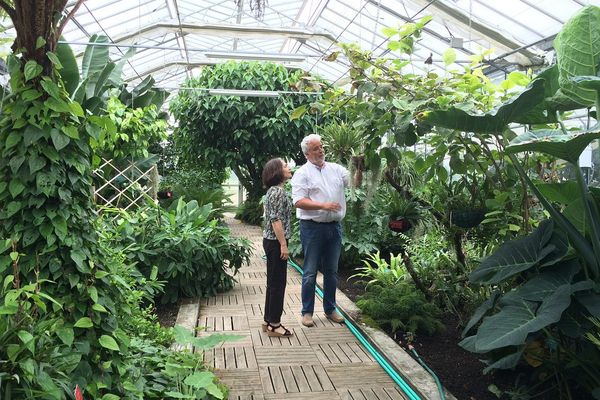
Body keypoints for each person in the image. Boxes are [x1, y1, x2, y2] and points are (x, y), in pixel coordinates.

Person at [291, 134, 349, 327]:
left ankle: (330, 309)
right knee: (309, 271)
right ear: (307, 154)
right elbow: (299, 201)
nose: (321, 150)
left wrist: (359, 168)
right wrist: (323, 206)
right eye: (316, 148)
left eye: (321, 147)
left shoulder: (336, 169)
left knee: (332, 271)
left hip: (334, 227)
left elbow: (354, 182)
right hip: (312, 228)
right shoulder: (302, 173)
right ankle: (307, 312)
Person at [261, 158, 294, 337]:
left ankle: (267, 320)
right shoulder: (278, 193)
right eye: (285, 166)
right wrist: (283, 245)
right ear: (277, 172)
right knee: (278, 284)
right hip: (276, 242)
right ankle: (275, 324)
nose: (289, 168)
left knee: (272, 283)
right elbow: (275, 220)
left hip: (271, 241)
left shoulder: (273, 191)